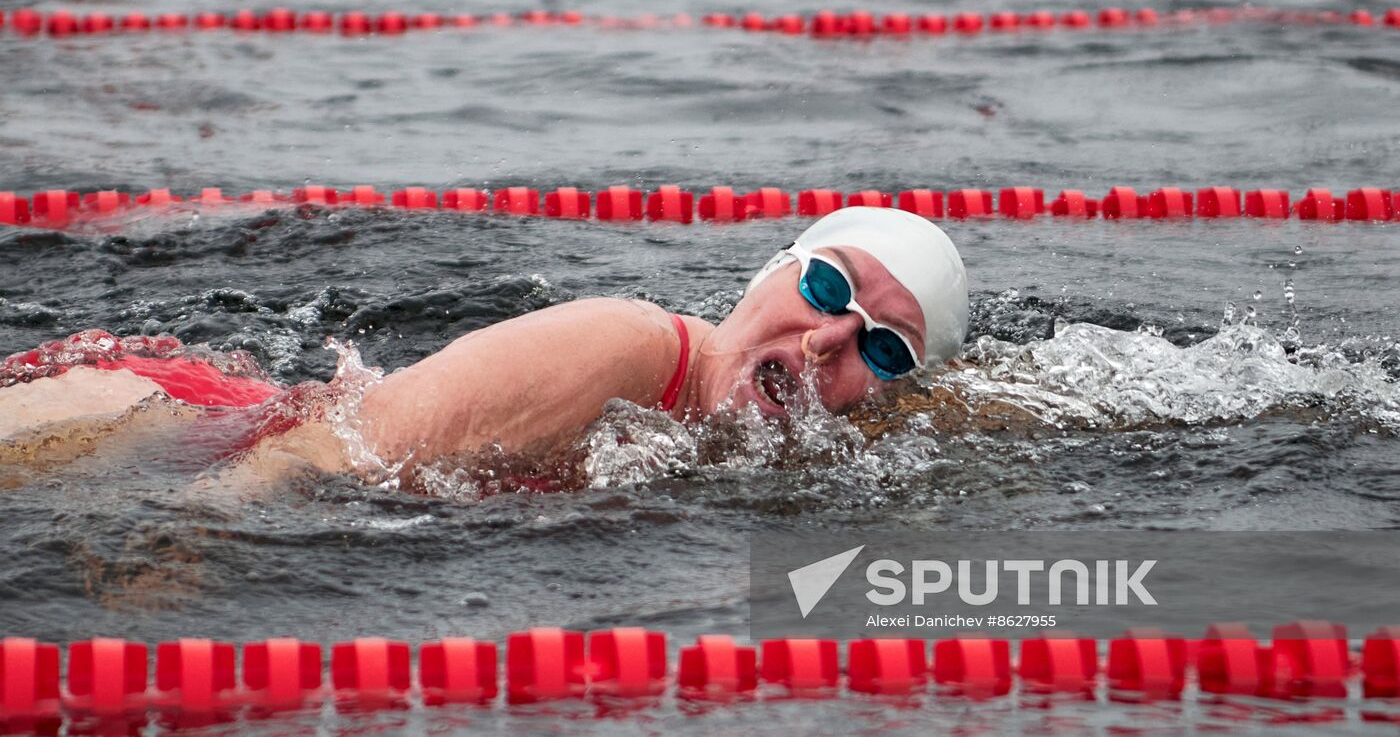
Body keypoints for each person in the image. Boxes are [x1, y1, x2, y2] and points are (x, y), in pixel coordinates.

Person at [0, 207, 969, 483]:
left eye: (882, 350)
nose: (829, 341)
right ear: (770, 271)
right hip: (173, 424)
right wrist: (178, 546)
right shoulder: (624, 347)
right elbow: (321, 453)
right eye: (828, 289)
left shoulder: (739, 447)